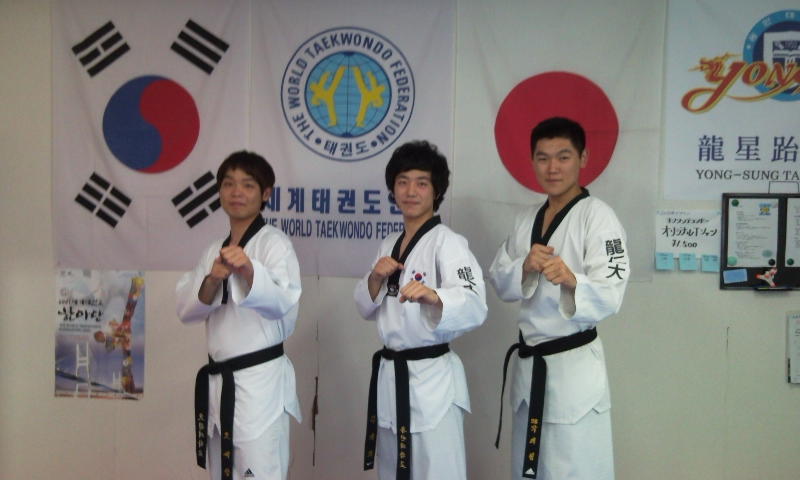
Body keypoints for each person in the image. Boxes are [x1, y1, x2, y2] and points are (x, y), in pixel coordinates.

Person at [489, 117, 629, 480]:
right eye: (543, 158)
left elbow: (612, 289)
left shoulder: (599, 218)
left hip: (573, 371)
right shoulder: (525, 220)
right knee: (529, 468)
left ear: (583, 158)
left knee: (574, 468)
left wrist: (572, 281)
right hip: (529, 367)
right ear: (532, 162)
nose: (553, 167)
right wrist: (524, 267)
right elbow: (499, 278)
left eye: (563, 157)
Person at [354, 141, 487, 479]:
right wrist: (375, 278)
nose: (410, 191)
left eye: (421, 183)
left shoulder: (449, 242)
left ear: (436, 190)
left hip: (432, 382)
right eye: (402, 182)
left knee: (436, 470)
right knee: (392, 469)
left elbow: (475, 303)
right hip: (391, 376)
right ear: (393, 189)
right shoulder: (389, 244)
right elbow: (365, 307)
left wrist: (435, 296)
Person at [176, 151, 302, 480]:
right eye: (229, 184)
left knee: (259, 470)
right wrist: (212, 279)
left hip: (260, 384)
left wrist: (249, 271)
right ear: (219, 191)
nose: (236, 192)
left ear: (265, 193)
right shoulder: (212, 250)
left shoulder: (275, 245)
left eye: (247, 185)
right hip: (220, 382)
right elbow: (187, 310)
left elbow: (283, 303)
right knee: (223, 471)